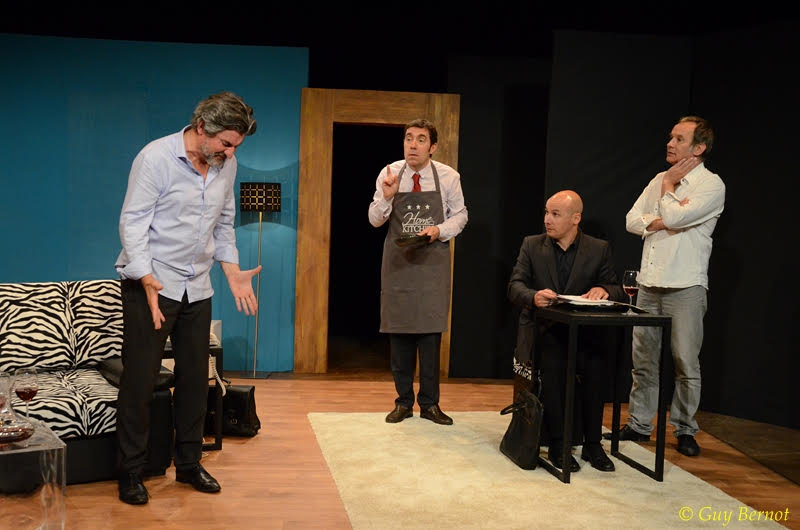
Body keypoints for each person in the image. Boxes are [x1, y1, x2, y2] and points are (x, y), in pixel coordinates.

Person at [114, 91, 261, 505]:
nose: (231, 153)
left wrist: (232, 271)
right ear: (201, 128)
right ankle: (130, 471)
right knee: (141, 380)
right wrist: (145, 276)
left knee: (196, 379)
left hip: (197, 285)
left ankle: (189, 464)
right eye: (226, 143)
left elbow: (225, 224)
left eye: (236, 146)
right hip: (152, 285)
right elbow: (133, 222)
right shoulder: (155, 158)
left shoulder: (226, 165)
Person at [607, 116, 725, 458]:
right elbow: (632, 220)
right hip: (649, 284)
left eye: (679, 139)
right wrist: (660, 219)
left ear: (698, 148)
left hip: (686, 285)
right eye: (670, 137)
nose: (670, 143)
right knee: (643, 359)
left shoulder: (710, 185)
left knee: (685, 361)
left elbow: (674, 218)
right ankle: (640, 424)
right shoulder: (659, 179)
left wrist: (669, 192)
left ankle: (685, 429)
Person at [508, 190, 625, 472]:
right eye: (546, 213)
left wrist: (603, 289)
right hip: (546, 331)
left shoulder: (598, 248)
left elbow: (616, 288)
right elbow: (515, 286)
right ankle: (559, 444)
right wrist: (534, 296)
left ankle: (593, 444)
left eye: (555, 214)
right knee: (554, 366)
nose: (547, 219)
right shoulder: (532, 245)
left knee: (595, 367)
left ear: (575, 219)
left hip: (585, 333)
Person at [368, 118, 468, 426]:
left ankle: (430, 404)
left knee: (429, 335)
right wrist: (387, 197)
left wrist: (439, 229)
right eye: (408, 138)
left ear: (432, 147)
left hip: (431, 263)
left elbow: (461, 215)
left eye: (421, 139)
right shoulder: (389, 173)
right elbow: (374, 219)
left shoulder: (448, 176)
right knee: (399, 334)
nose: (413, 145)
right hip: (398, 263)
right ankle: (402, 402)